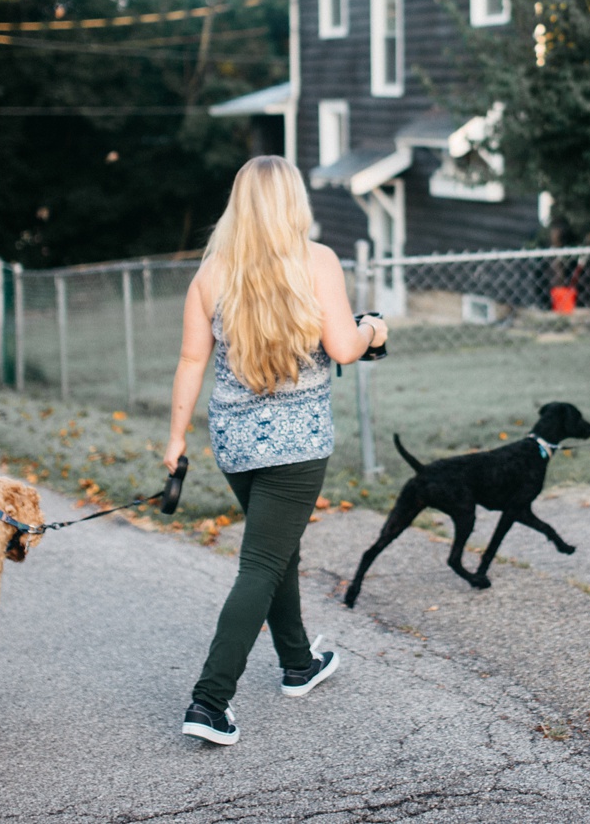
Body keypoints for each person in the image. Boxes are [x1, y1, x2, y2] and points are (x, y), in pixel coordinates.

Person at [162, 155, 388, 745]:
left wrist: (175, 437)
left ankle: (297, 664)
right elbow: (343, 347)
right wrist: (375, 330)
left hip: (234, 441)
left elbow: (191, 360)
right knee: (262, 562)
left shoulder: (212, 274)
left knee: (274, 546)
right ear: (293, 203)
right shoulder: (315, 262)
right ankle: (209, 702)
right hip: (297, 443)